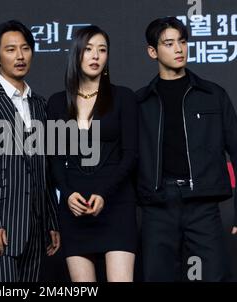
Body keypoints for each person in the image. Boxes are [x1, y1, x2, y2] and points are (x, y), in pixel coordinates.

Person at [136, 17, 237, 282]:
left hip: (202, 204)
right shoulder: (140, 102)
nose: (179, 49)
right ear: (152, 52)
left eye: (182, 41)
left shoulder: (213, 94)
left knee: (215, 276)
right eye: (169, 43)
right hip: (158, 205)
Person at [0, 20, 60, 282]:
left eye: (25, 49)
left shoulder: (40, 104)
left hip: (37, 230)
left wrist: (51, 221)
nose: (19, 56)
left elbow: (44, 168)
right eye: (11, 49)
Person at [47, 25, 138, 282]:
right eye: (88, 49)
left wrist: (103, 193)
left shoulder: (124, 97)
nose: (95, 56)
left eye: (102, 50)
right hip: (74, 207)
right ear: (76, 54)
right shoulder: (56, 102)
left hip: (116, 205)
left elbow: (130, 155)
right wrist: (67, 194)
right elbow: (54, 158)